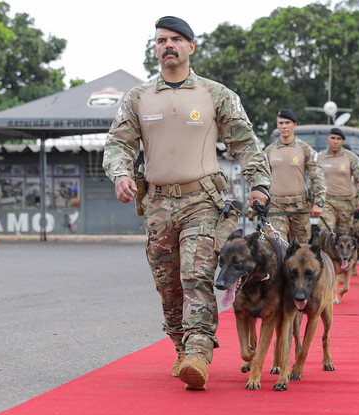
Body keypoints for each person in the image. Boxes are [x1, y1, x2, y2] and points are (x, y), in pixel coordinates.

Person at [102, 16, 271, 391]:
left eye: (176, 39)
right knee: (167, 283)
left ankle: (198, 352)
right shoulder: (139, 97)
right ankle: (180, 346)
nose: (168, 45)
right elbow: (118, 143)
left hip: (203, 200)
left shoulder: (215, 94)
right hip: (159, 204)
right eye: (161, 40)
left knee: (195, 273)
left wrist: (260, 184)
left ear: (191, 47)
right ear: (155, 48)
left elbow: (244, 142)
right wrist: (121, 173)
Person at [264, 109, 326, 243]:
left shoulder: (305, 149)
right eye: (281, 123)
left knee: (300, 248)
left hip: (299, 207)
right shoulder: (269, 151)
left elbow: (317, 176)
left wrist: (319, 202)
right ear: (277, 125)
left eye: (287, 123)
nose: (284, 126)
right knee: (276, 244)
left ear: (294, 125)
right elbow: (260, 177)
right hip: (276, 206)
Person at [318, 128, 359, 230]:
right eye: (333, 138)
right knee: (326, 231)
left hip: (346, 203)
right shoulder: (319, 157)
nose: (335, 141)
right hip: (327, 201)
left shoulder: (351, 158)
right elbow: (314, 180)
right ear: (327, 140)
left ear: (343, 141)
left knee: (344, 237)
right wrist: (316, 201)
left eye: (339, 139)